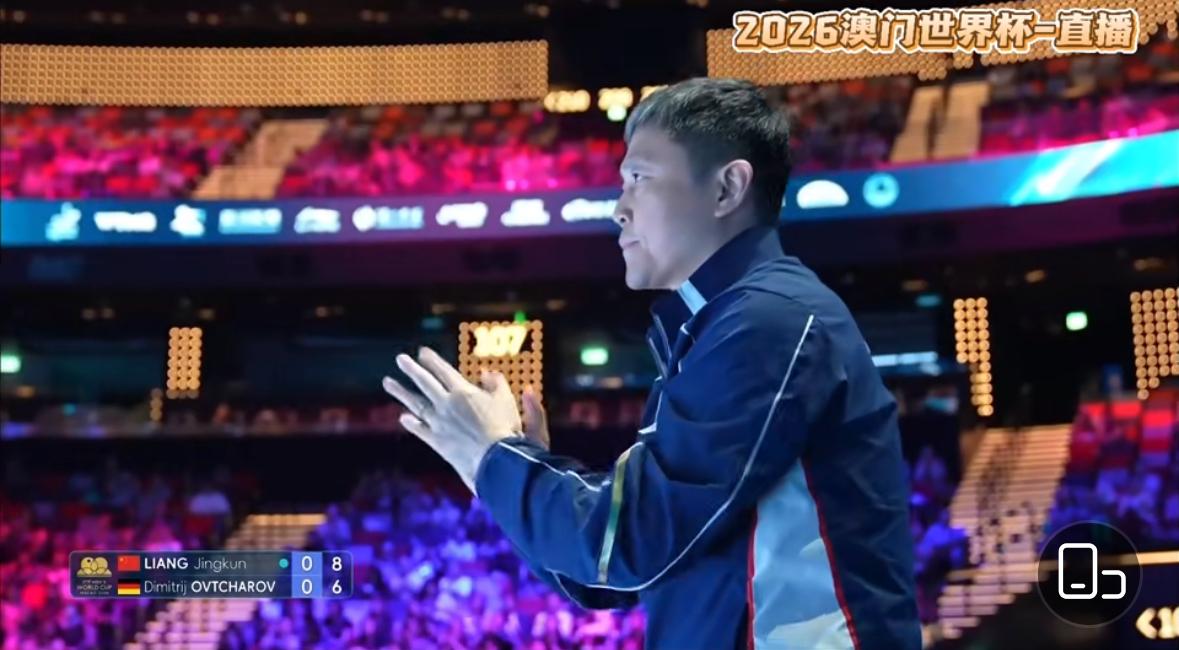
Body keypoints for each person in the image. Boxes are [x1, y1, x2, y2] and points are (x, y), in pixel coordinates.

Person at [383, 78, 920, 649]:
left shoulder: (768, 321)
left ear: (727, 188)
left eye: (639, 179)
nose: (619, 209)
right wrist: (495, 468)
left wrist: (497, 458)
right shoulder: (721, 324)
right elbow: (610, 579)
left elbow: (628, 543)